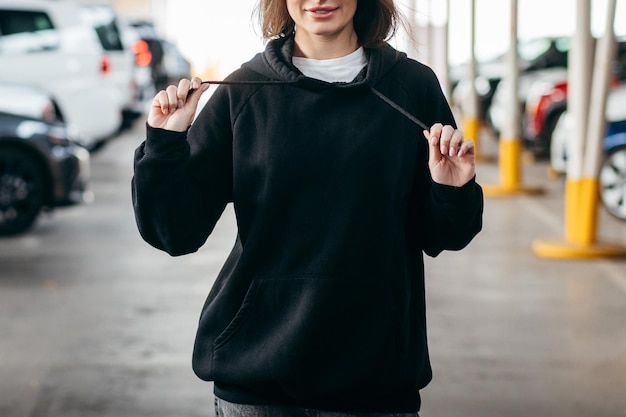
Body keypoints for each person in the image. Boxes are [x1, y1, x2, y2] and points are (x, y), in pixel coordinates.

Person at [131, 0, 484, 416]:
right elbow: (175, 231)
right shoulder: (243, 92)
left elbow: (446, 235)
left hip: (375, 380)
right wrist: (164, 145)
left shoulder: (412, 87)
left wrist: (453, 188)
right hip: (258, 381)